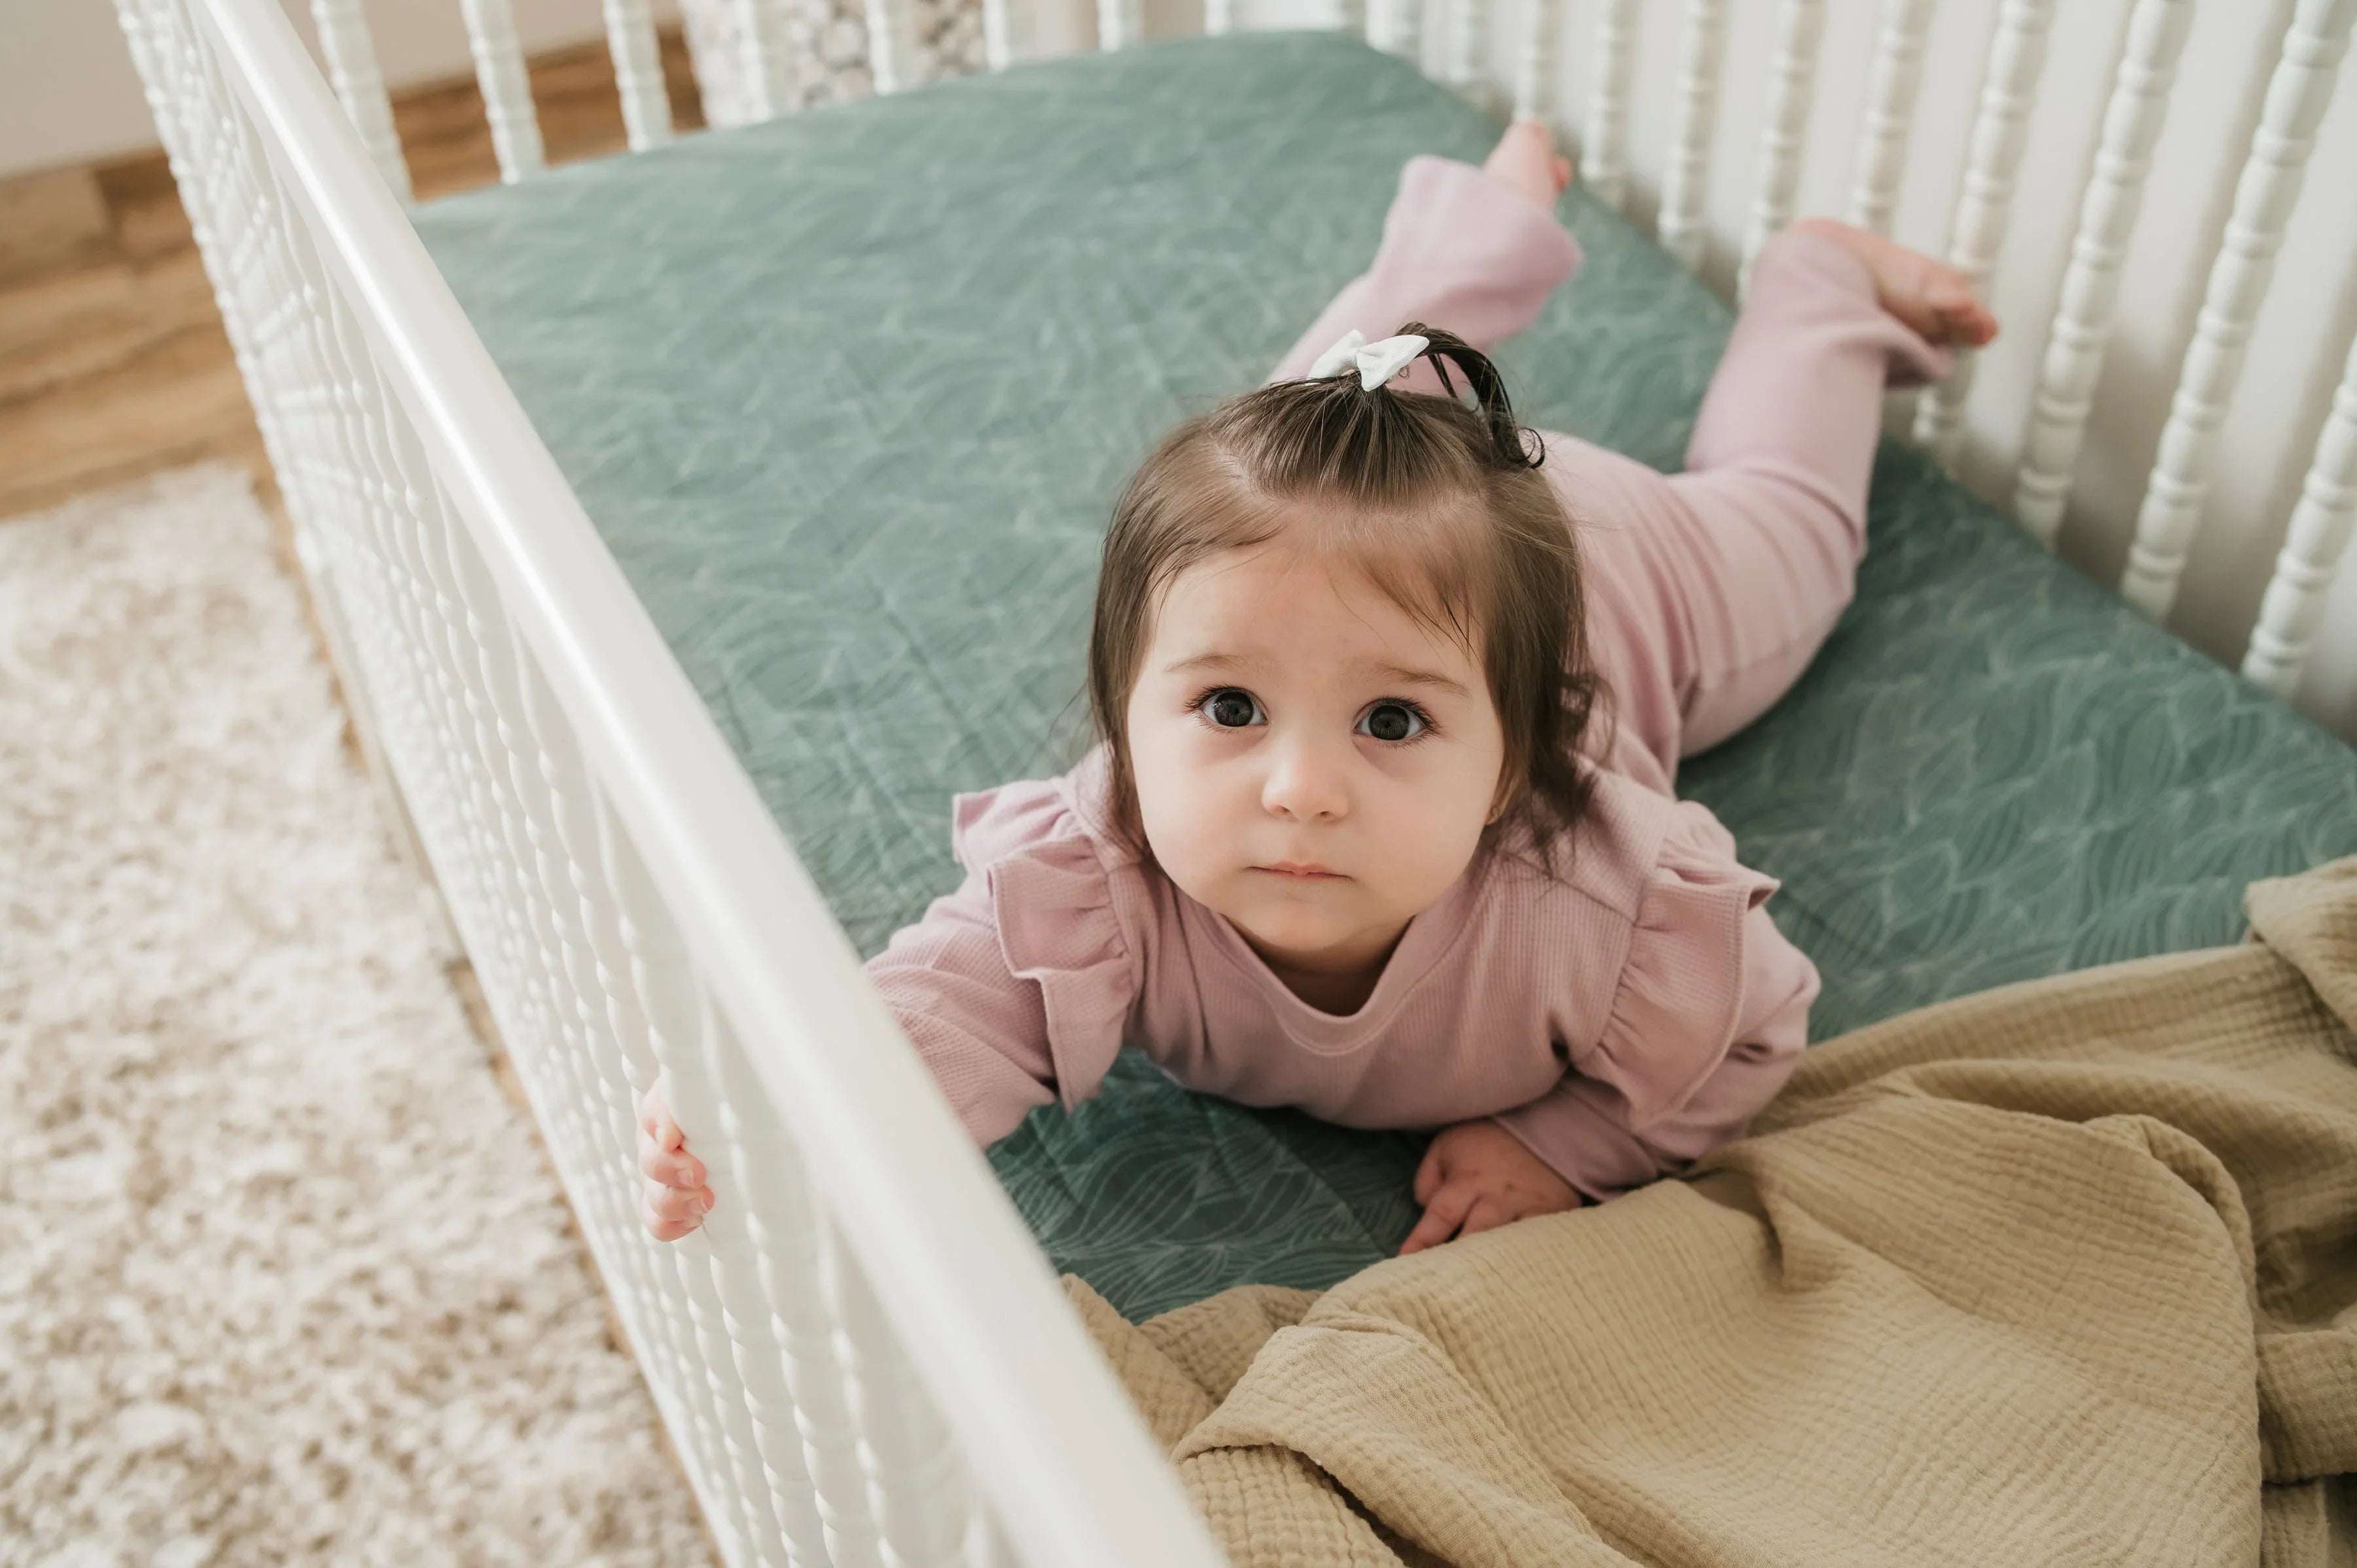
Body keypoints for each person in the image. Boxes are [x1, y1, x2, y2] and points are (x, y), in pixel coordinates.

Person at [638, 119, 1997, 1257]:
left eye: (1392, 722)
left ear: (1517, 758)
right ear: (1126, 712)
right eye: (1227, 709)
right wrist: (769, 1111)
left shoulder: (1606, 903)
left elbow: (1754, 1027)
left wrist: (1570, 1142)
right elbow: (926, 1018)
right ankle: (1482, 231)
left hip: (1605, 567)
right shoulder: (1097, 877)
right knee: (1293, 433)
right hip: (1342, 548)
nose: (1298, 790)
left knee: (1795, 533)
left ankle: (1819, 294)